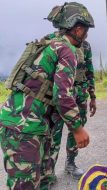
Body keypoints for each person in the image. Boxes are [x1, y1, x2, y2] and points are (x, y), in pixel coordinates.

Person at [0, 2, 94, 189]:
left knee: (42, 180)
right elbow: (62, 95)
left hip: (31, 124)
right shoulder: (67, 50)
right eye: (85, 30)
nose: (87, 35)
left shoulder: (50, 43)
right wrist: (77, 128)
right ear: (77, 29)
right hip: (24, 128)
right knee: (24, 185)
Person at [46, 31, 96, 181]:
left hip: (79, 93)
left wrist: (92, 96)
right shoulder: (53, 41)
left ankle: (70, 164)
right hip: (60, 95)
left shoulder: (85, 46)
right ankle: (49, 170)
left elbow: (89, 71)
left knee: (76, 129)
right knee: (54, 132)